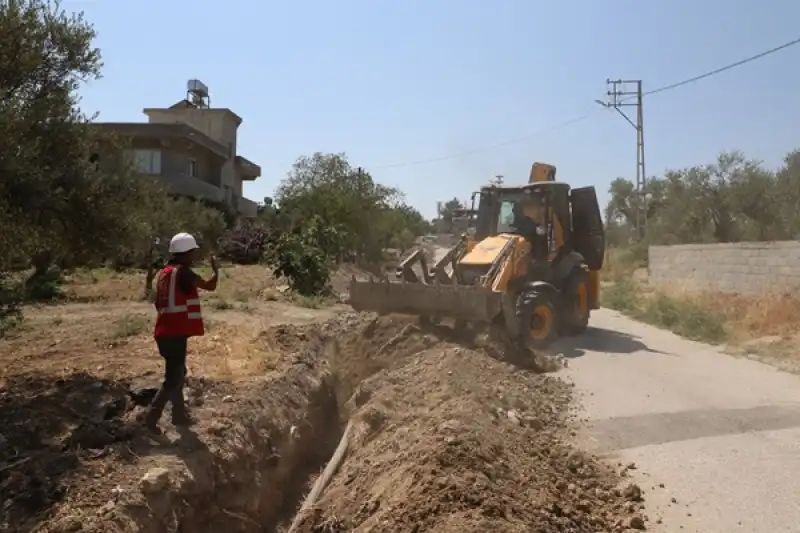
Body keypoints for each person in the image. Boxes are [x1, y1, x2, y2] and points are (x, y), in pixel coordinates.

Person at [144, 232, 219, 433]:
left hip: (165, 331)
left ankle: (179, 415)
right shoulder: (184, 273)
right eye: (192, 253)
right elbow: (210, 286)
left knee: (178, 372)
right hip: (174, 333)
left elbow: (159, 303)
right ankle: (151, 418)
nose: (193, 257)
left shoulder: (165, 273)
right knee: (173, 378)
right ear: (185, 253)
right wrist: (216, 271)